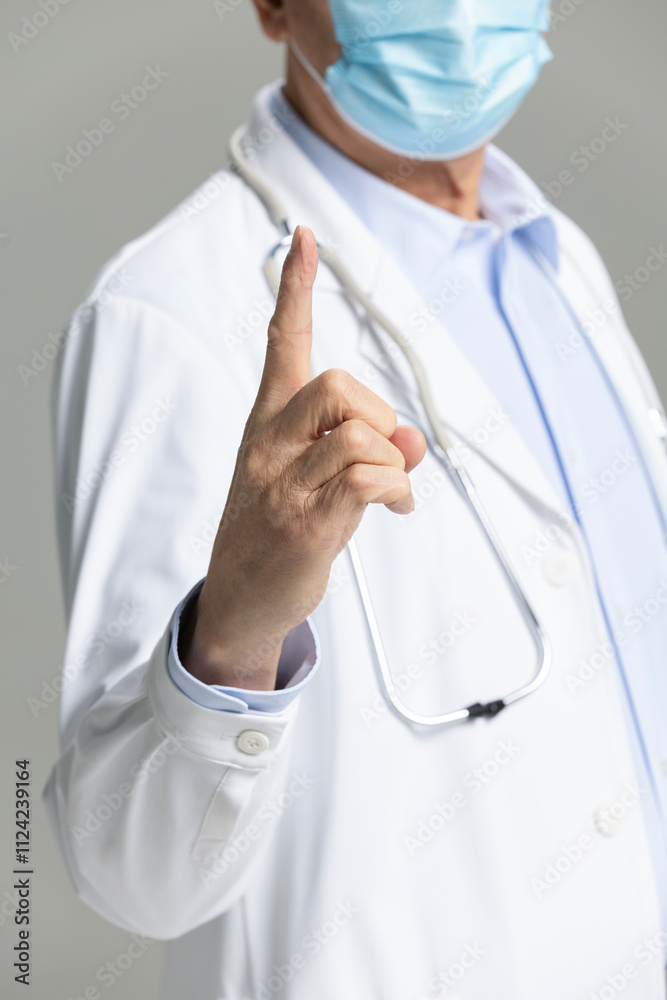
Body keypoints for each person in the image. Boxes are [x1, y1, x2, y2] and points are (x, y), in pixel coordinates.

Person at [44, 1, 667, 998]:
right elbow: (132, 874)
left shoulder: (557, 257)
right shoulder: (170, 313)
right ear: (272, 5)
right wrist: (237, 627)